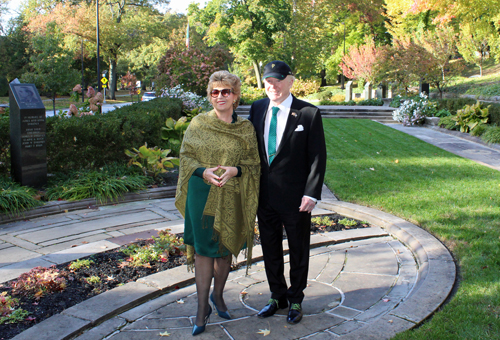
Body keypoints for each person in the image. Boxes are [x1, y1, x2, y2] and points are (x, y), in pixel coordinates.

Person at [175, 71, 260, 336]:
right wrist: (203, 172)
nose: (220, 96)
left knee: (224, 248)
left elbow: (254, 164)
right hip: (201, 196)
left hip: (232, 194)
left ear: (235, 96)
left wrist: (235, 170)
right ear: (210, 96)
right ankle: (202, 309)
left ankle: (218, 295)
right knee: (203, 251)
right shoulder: (198, 124)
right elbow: (185, 157)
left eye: (226, 92)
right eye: (215, 92)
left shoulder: (245, 129)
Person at [248, 60, 327, 325]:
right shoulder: (258, 108)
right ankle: (277, 296)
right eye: (268, 81)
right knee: (270, 247)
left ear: (290, 81)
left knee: (298, 249)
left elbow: (317, 157)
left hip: (296, 198)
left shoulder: (308, 113)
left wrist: (312, 193)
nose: (273, 86)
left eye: (278, 80)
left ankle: (295, 300)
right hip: (265, 195)